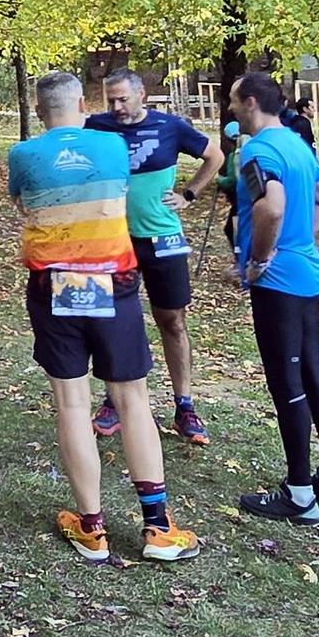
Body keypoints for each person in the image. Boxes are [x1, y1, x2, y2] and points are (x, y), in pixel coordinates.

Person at [7, 70, 201, 564]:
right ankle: (157, 527)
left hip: (53, 286)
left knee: (72, 404)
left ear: (38, 106)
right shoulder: (112, 147)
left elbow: (19, 202)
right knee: (133, 400)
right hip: (113, 284)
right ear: (81, 102)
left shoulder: (23, 155)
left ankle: (92, 529)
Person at [230, 71, 319, 523]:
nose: (229, 109)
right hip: (306, 271)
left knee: (287, 381)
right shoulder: (298, 144)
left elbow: (272, 205)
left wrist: (261, 257)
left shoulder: (256, 150)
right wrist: (299, 241)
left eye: (234, 101)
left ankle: (300, 492)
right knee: (314, 371)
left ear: (252, 103)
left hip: (279, 281)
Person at [86, 68, 223, 446]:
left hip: (162, 238)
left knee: (172, 321)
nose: (115, 107)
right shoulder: (95, 126)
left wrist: (189, 194)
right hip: (112, 239)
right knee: (111, 319)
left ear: (141, 94)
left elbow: (215, 155)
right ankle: (113, 399)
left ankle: (185, 405)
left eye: (122, 99)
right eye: (110, 100)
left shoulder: (171, 127)